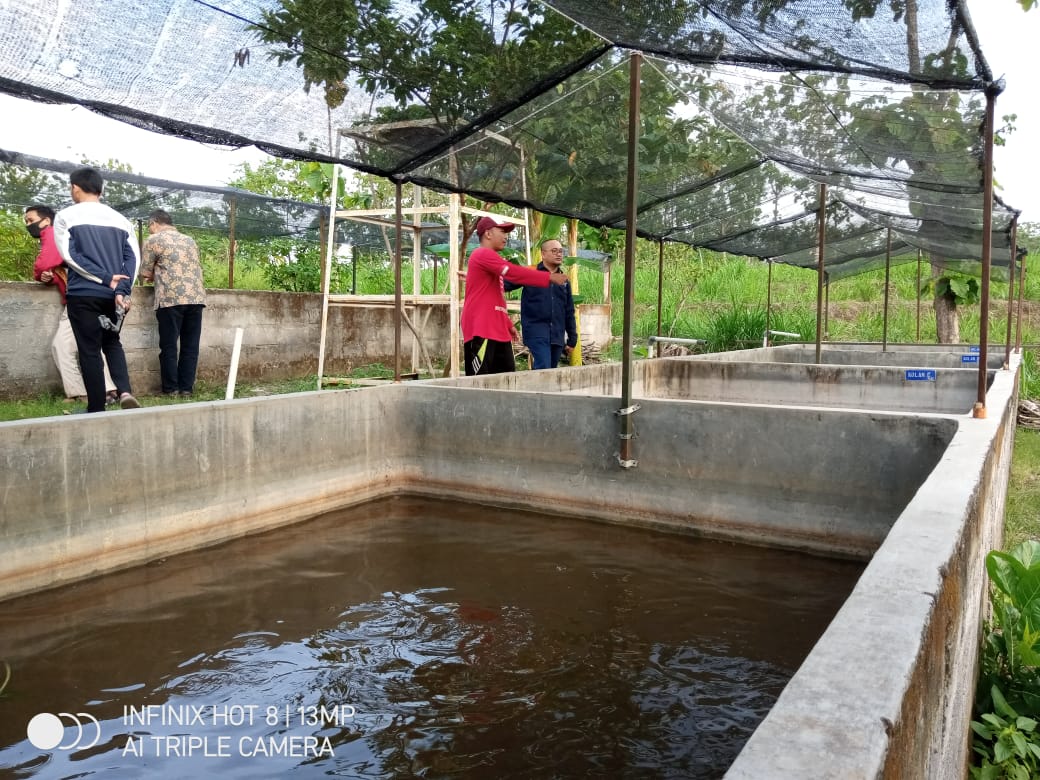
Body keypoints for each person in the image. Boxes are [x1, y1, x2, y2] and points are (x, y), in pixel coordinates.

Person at [53, 167, 140, 413]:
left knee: (89, 350)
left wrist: (105, 279)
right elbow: (133, 257)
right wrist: (123, 289)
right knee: (112, 342)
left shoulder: (66, 216)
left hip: (83, 294)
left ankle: (96, 408)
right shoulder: (121, 220)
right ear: (101, 189)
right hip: (113, 297)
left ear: (75, 188)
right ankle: (124, 392)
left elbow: (70, 256)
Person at [27, 204, 118, 404]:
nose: (28, 225)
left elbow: (45, 263)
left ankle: (84, 393)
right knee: (88, 345)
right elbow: (57, 267)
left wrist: (40, 272)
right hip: (96, 294)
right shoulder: (71, 234)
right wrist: (49, 277)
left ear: (46, 221)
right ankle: (107, 391)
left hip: (79, 300)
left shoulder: (51, 233)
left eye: (30, 220)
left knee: (62, 345)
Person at [460, 217, 568, 375]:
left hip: (498, 330)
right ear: (488, 234)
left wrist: (508, 324)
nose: (506, 236)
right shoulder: (481, 254)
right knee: (479, 383)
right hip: (481, 328)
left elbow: (496, 297)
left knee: (507, 377)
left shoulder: (492, 263)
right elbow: (513, 272)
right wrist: (547, 277)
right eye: (502, 231)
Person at [139, 209, 206, 396]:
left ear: (154, 223)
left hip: (170, 299)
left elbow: (145, 273)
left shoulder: (153, 240)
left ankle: (171, 389)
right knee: (190, 346)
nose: (150, 230)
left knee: (169, 346)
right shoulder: (190, 240)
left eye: (149, 227)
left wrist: (153, 275)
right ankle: (186, 389)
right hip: (196, 298)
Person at [504, 239, 577, 369]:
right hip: (536, 331)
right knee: (544, 366)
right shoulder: (530, 273)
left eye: (561, 251)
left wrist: (572, 337)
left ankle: (534, 389)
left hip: (557, 335)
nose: (559, 254)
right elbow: (503, 284)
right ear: (543, 254)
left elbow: (569, 310)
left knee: (551, 370)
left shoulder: (564, 281)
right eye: (554, 251)